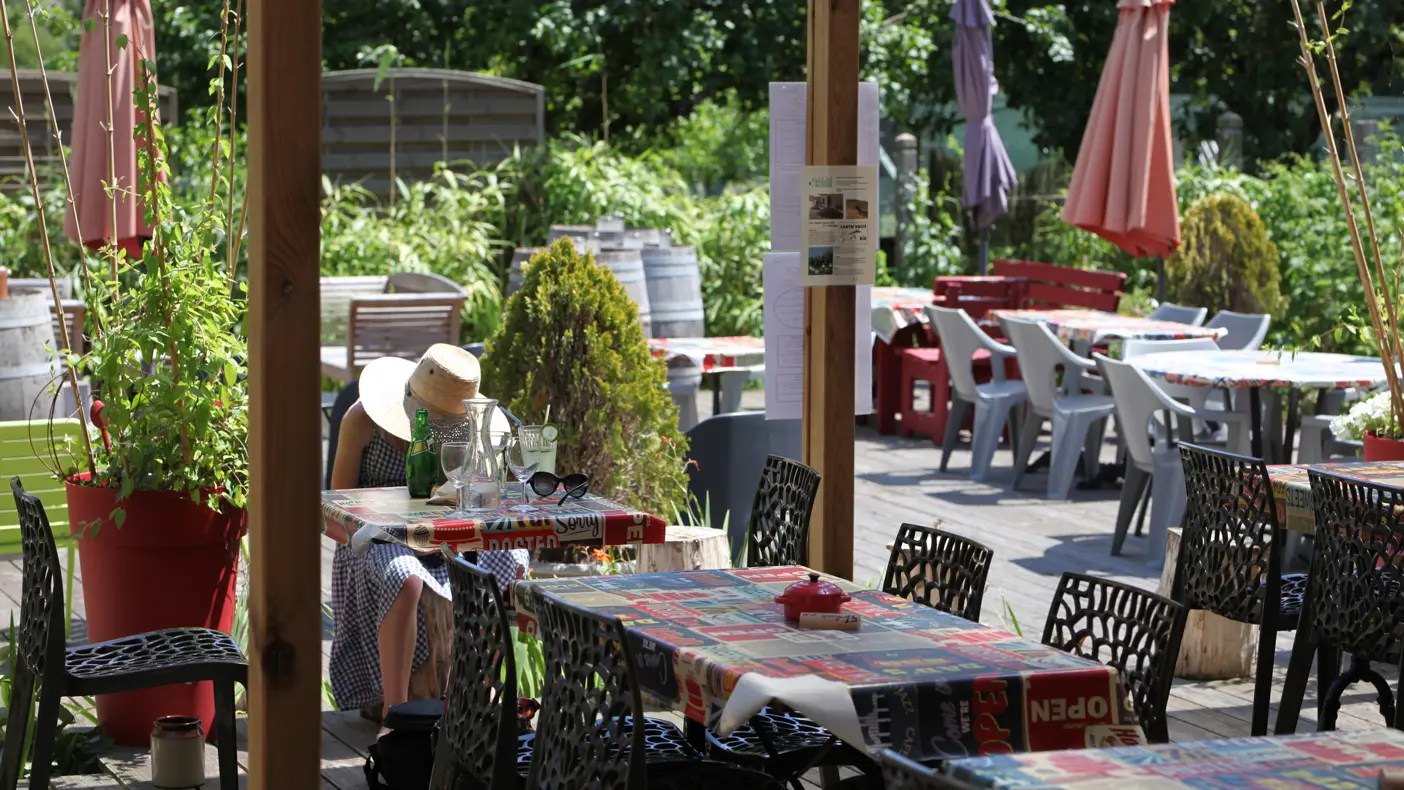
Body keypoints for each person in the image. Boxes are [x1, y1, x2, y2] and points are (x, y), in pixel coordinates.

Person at [327, 344, 527, 723]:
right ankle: (395, 715)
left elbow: (481, 501)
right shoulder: (362, 420)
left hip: (445, 538)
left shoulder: (467, 436)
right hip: (375, 539)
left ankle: (476, 691)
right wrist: (392, 526)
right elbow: (339, 509)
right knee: (404, 576)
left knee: (510, 555)